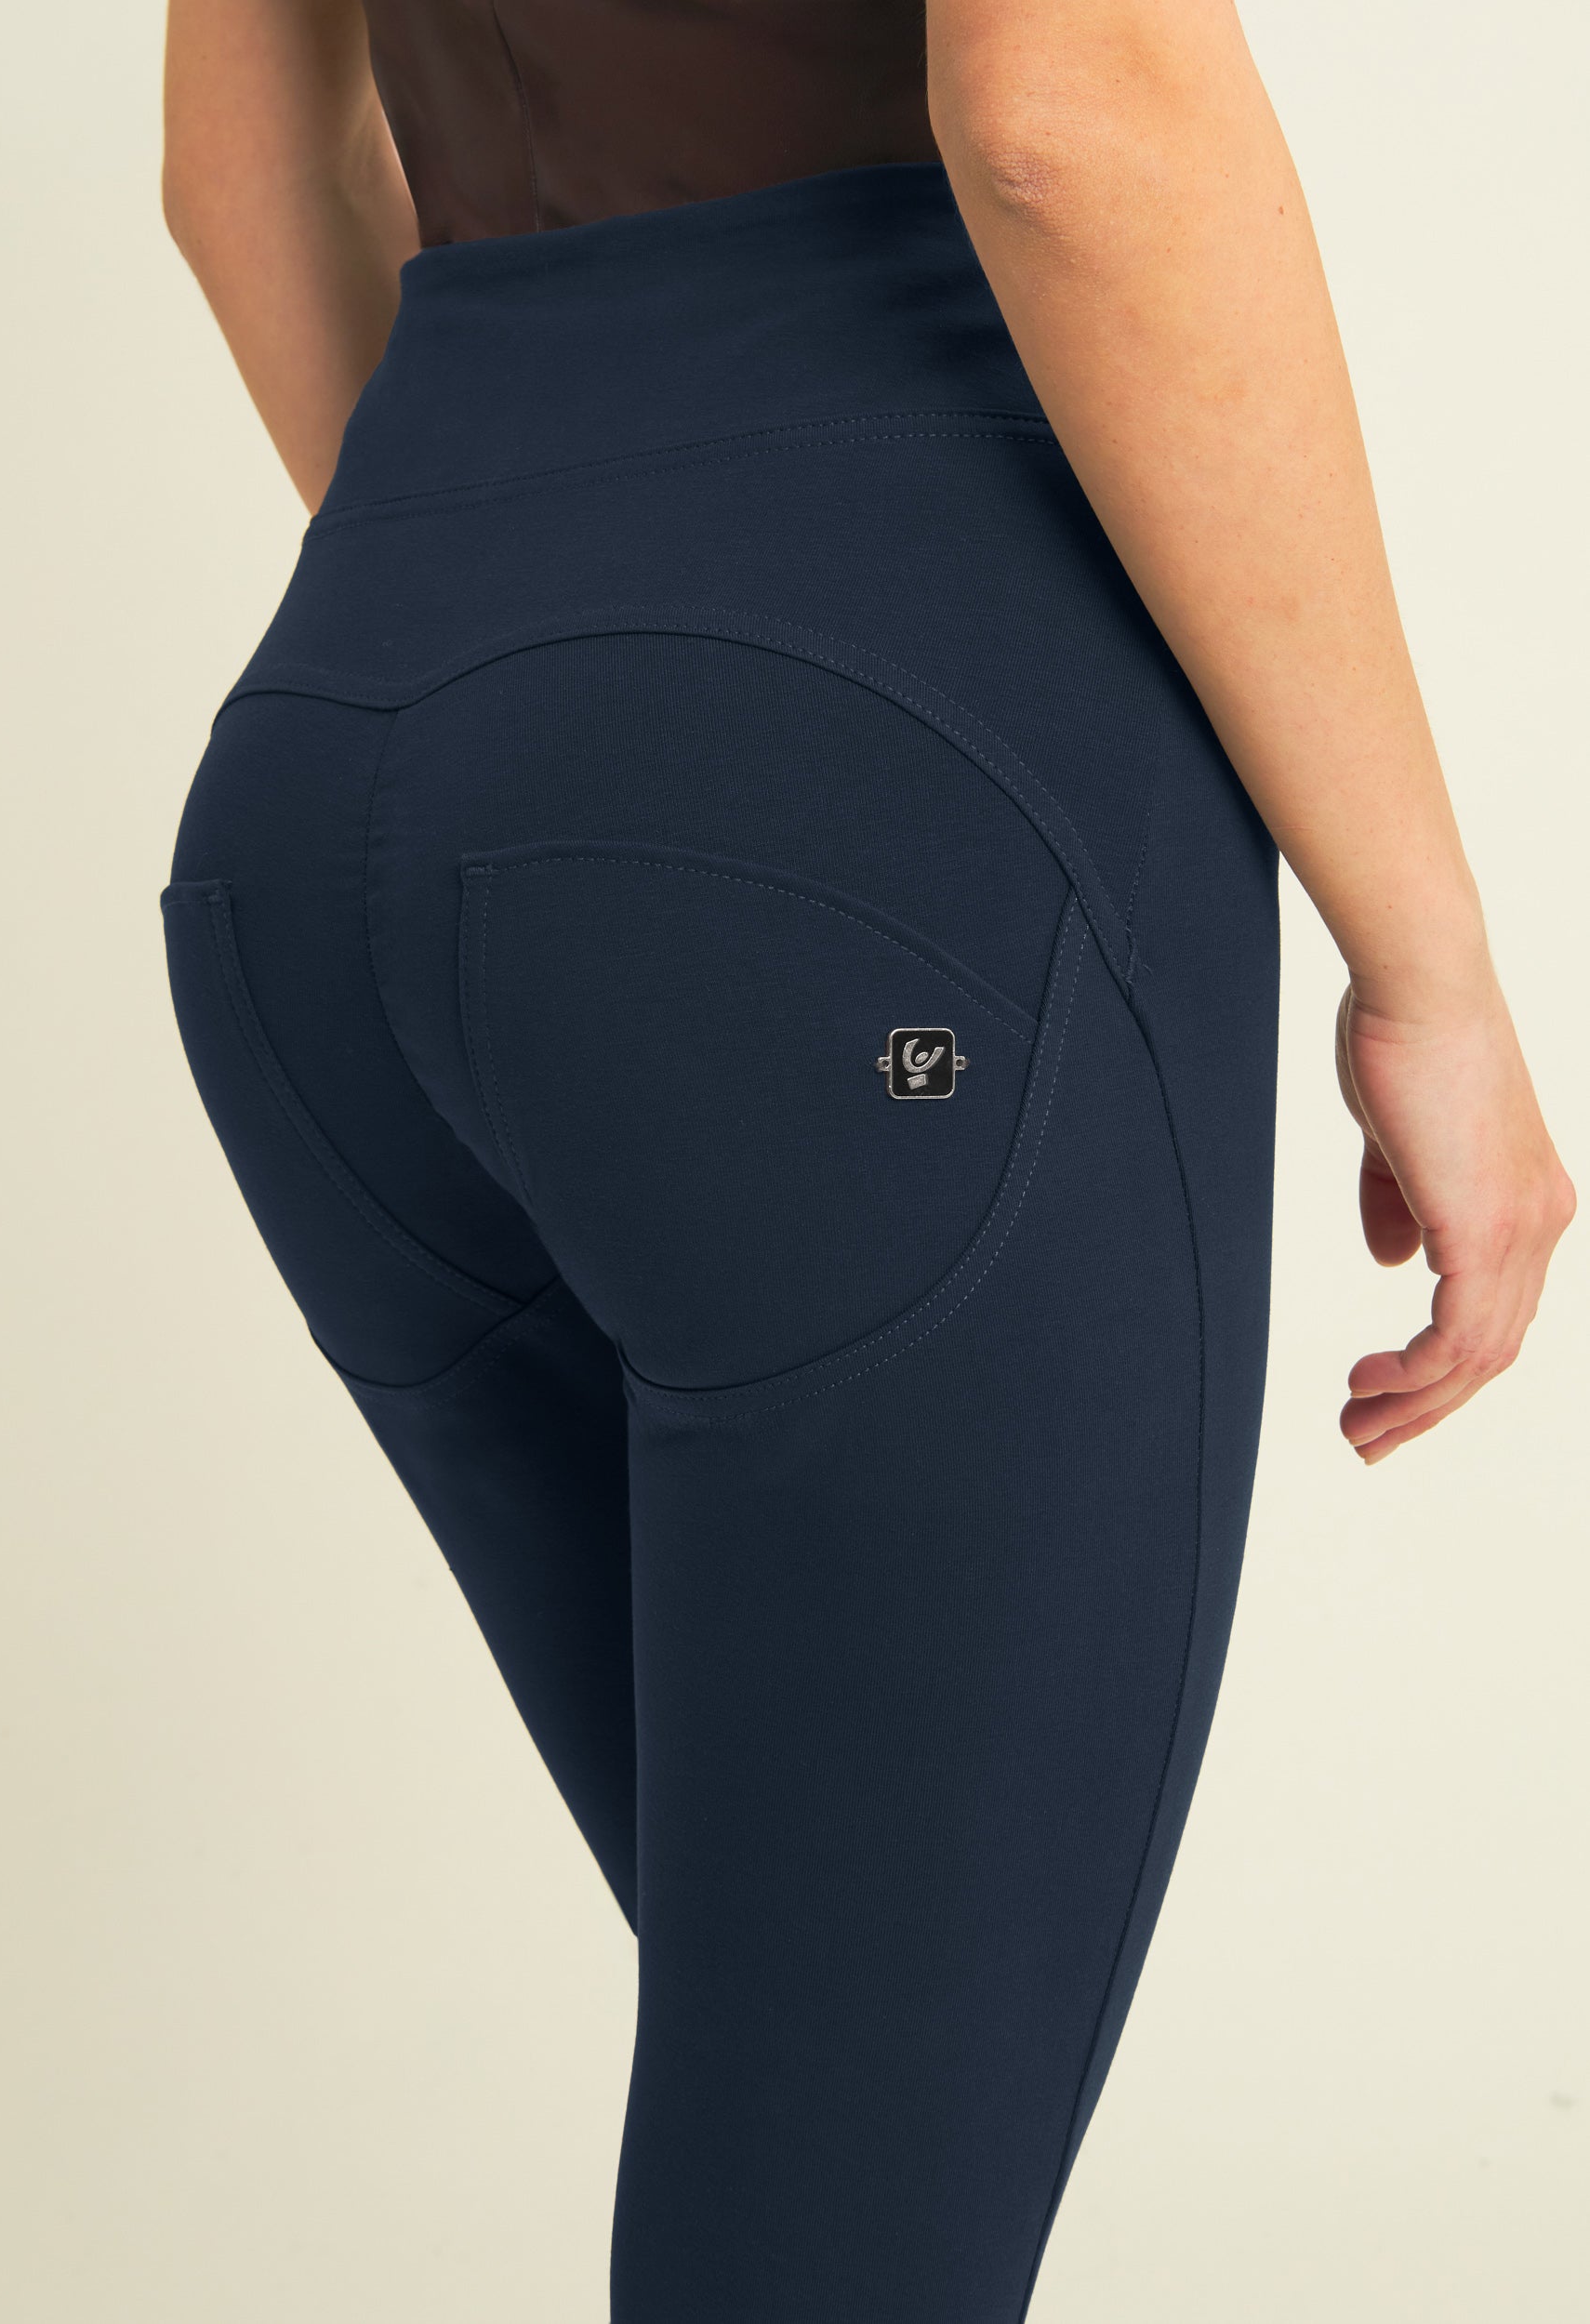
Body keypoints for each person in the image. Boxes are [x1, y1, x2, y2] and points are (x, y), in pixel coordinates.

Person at [158, 2, 1572, 2315]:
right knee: (842, 2212)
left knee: (824, 2121)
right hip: (879, 806)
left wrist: (552, 691)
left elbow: (234, 169)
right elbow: (1065, 116)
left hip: (334, 788)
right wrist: (1426, 963)